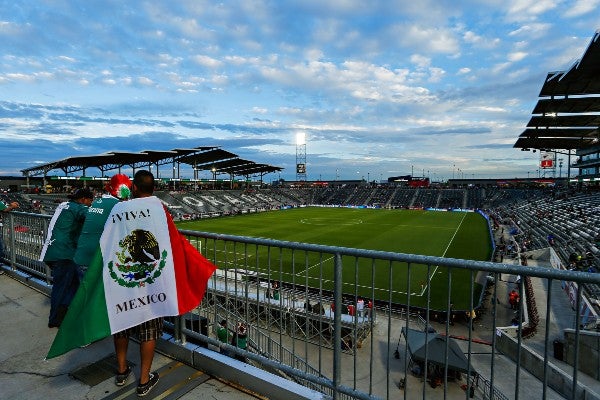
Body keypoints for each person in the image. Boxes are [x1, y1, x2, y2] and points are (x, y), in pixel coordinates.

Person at [112, 170, 161, 396]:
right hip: (150, 280)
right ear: (153, 189)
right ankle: (143, 380)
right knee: (148, 329)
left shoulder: (119, 209)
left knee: (122, 322)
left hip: (124, 279)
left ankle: (121, 371)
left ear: (133, 188)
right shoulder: (160, 209)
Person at [40, 188, 93, 328]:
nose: (90, 204)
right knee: (62, 287)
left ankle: (65, 316)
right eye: (90, 201)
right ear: (83, 199)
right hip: (64, 253)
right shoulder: (79, 208)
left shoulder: (64, 205)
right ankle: (55, 319)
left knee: (72, 285)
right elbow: (92, 217)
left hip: (52, 251)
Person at [73, 174, 132, 278]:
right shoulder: (118, 206)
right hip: (95, 260)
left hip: (80, 257)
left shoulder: (96, 202)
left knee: (84, 293)